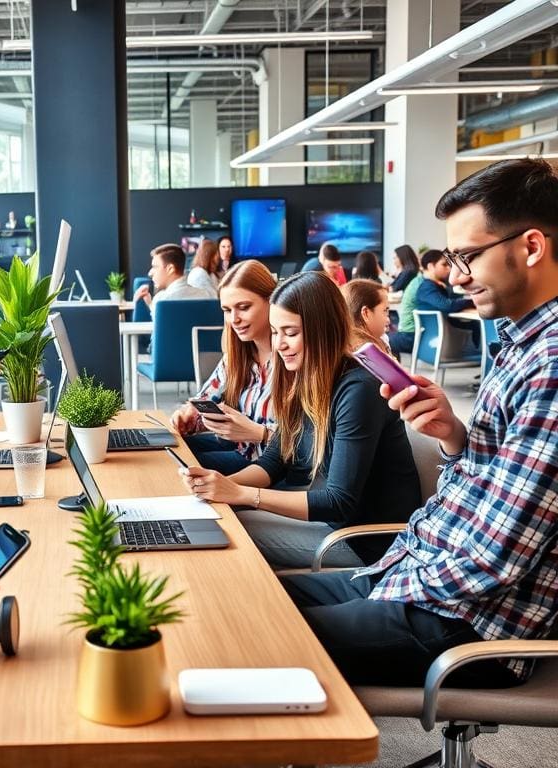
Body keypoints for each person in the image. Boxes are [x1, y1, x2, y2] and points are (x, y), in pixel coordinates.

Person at [279, 157, 558, 689]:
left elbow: (494, 559)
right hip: (422, 578)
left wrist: (394, 586)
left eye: (469, 256)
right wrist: (455, 437)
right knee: (244, 598)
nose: (455, 275)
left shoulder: (551, 366)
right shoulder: (519, 346)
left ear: (531, 247)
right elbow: (484, 489)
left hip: (467, 623)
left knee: (254, 636)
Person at [179, 271, 420, 569]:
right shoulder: (303, 378)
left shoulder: (359, 389)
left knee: (227, 533)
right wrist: (218, 485)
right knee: (221, 518)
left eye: (290, 333)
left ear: (323, 331)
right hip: (333, 524)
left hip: (364, 541)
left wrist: (240, 493)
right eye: (275, 331)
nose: (279, 344)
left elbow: (338, 502)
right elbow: (273, 462)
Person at [170, 261, 276, 475]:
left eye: (244, 307)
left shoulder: (291, 358)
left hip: (268, 464)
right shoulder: (236, 357)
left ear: (271, 301)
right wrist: (189, 417)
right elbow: (205, 402)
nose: (234, 319)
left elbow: (305, 443)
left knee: (184, 466)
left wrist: (258, 432)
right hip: (242, 450)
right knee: (170, 453)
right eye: (227, 310)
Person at [388, 248, 475, 356]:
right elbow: (447, 305)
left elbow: (450, 300)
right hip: (412, 335)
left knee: (382, 340)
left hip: (417, 333)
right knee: (382, 341)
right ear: (430, 266)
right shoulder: (425, 286)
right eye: (444, 265)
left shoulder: (424, 282)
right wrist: (471, 301)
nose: (449, 269)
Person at [133, 243, 209, 308]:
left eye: (155, 267)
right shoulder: (205, 296)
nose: (150, 272)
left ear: (170, 269)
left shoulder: (161, 300)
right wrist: (151, 304)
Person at [343, 279, 392, 355]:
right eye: (385, 310)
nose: (388, 320)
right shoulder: (370, 353)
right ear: (366, 313)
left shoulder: (382, 339)